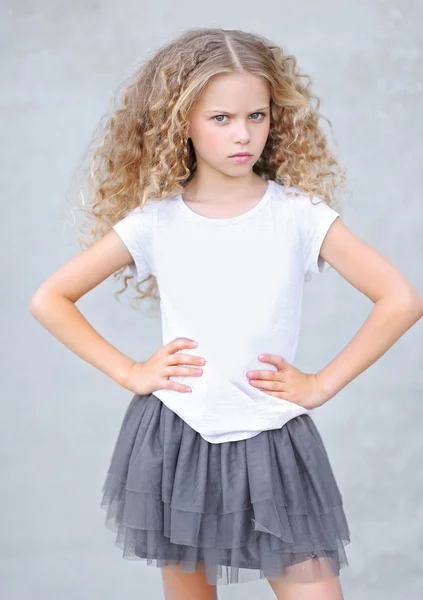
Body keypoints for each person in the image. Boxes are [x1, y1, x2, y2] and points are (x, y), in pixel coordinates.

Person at [29, 27, 423, 600]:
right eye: (221, 118)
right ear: (180, 122)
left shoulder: (299, 216)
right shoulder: (156, 222)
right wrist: (129, 371)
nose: (243, 134)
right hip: (178, 439)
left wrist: (321, 383)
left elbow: (401, 298)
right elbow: (50, 298)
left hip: (272, 437)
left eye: (257, 116)